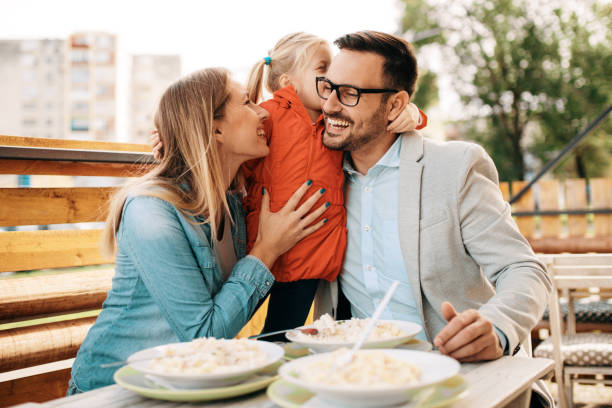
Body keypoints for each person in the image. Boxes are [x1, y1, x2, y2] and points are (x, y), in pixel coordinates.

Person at [311, 31, 553, 406]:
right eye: (328, 88)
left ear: (395, 106)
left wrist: (499, 327)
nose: (329, 105)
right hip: (363, 383)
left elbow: (524, 269)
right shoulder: (319, 177)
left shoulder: (454, 168)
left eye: (350, 93)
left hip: (465, 381)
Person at [67, 68, 329, 393]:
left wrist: (407, 119)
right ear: (215, 129)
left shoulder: (235, 202)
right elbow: (201, 333)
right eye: (247, 103)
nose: (263, 111)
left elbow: (302, 141)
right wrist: (266, 250)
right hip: (116, 389)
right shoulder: (150, 211)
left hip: (188, 382)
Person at [152, 32, 428, 340]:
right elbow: (225, 143)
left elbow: (375, 120)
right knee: (252, 330)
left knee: (308, 332)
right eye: (323, 70)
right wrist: (171, 144)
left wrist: (413, 114)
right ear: (288, 82)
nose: (332, 81)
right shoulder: (269, 116)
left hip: (319, 257)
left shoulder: (335, 125)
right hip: (270, 251)